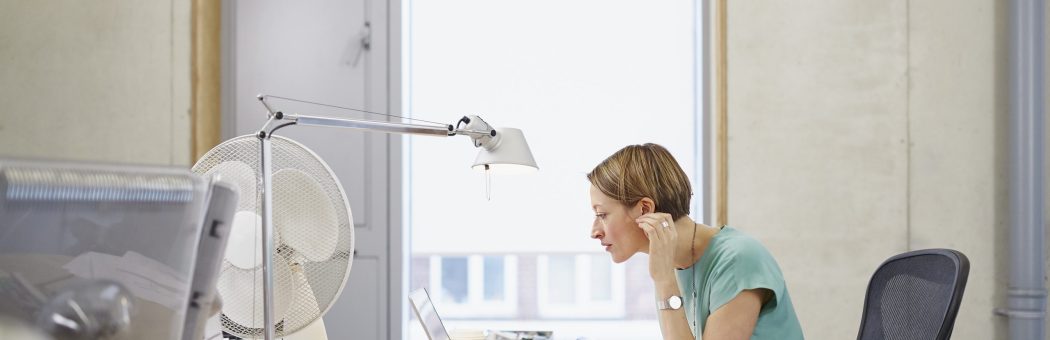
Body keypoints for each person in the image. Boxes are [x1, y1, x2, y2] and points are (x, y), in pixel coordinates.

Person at [587, 143, 803, 340]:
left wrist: (664, 282)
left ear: (644, 209)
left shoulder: (738, 259)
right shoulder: (671, 266)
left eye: (602, 214)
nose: (594, 232)